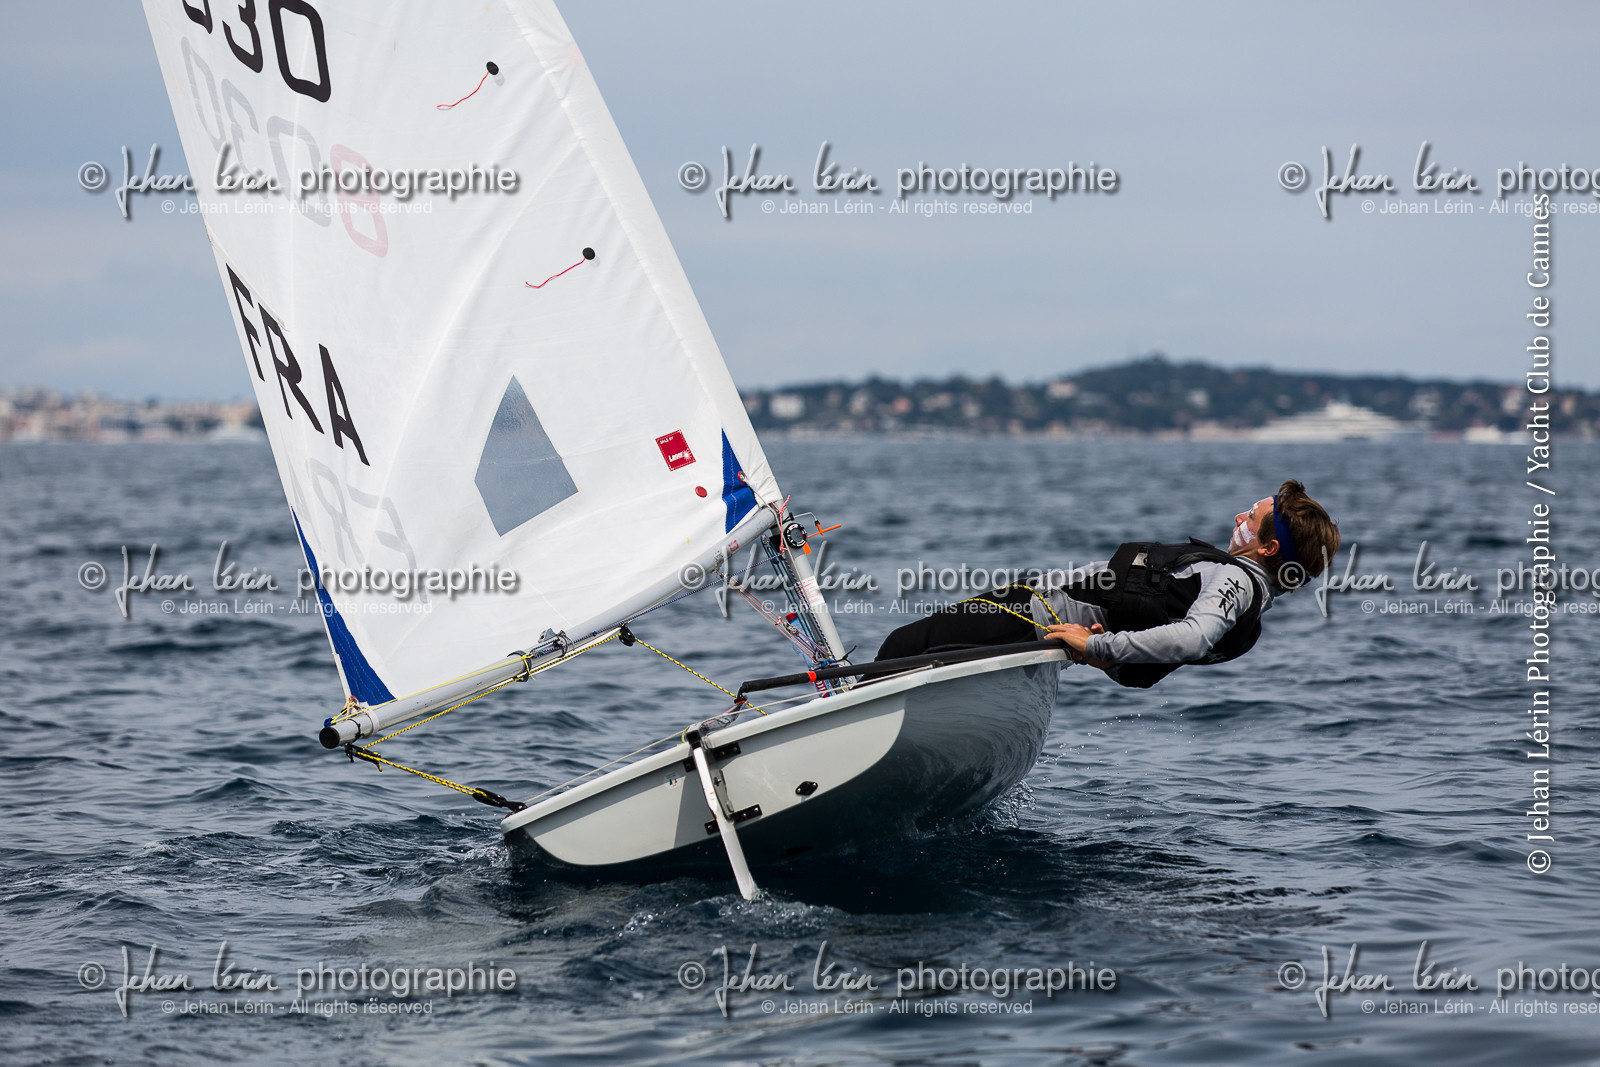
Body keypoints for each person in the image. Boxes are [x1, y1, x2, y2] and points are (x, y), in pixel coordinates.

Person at [873, 480, 1340, 688]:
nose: (1239, 516)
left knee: (899, 645)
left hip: (1028, 616)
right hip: (1043, 635)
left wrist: (1098, 649)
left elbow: (1189, 637)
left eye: (1251, 517)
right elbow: (1145, 671)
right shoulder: (1248, 624)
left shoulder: (1235, 580)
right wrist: (1103, 654)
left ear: (1269, 548)